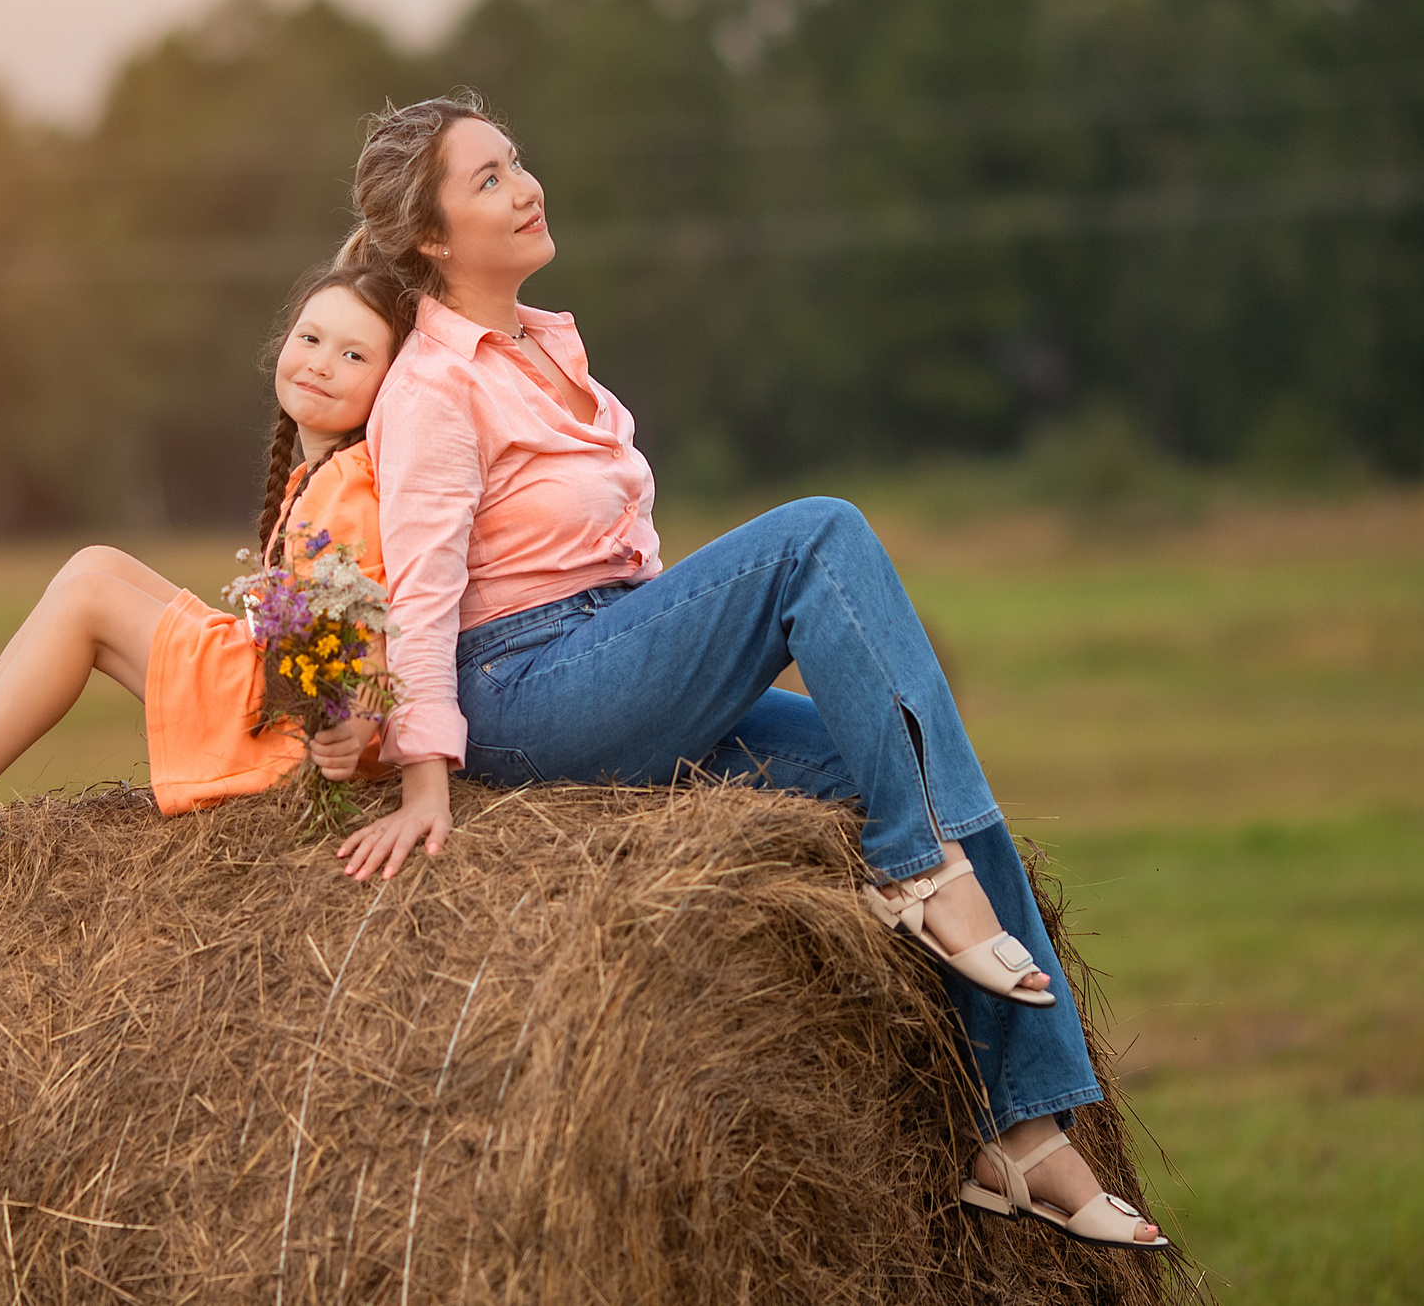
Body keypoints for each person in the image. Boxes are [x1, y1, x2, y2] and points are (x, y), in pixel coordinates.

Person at [310, 94, 1167, 1252]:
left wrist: (679, 648)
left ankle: (1019, 1137)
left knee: (910, 755)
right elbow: (420, 590)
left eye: (518, 162)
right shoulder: (429, 388)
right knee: (821, 537)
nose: (526, 186)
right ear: (428, 239)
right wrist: (424, 778)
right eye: (489, 180)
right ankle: (922, 876)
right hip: (529, 688)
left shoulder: (549, 346)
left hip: (616, 654)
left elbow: (627, 560)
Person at [0, 255, 404, 913]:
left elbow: (369, 628)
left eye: (354, 355)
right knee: (98, 565)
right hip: (276, 696)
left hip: (286, 731)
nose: (321, 362)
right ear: (284, 342)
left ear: (390, 384)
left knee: (90, 597)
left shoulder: (351, 483)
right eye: (311, 338)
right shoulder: (325, 475)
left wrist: (359, 728)